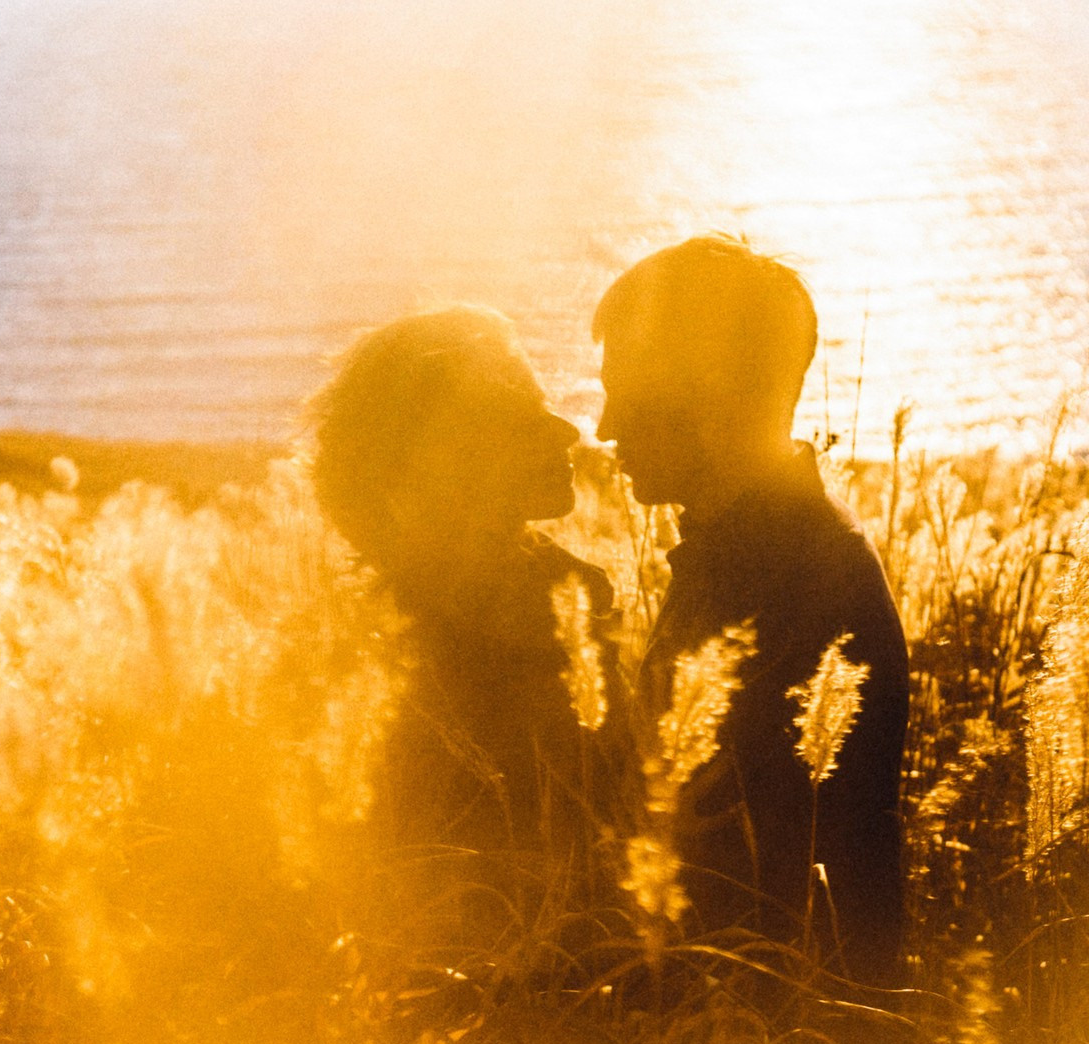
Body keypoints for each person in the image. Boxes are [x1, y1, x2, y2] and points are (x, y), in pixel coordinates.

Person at [592, 236, 909, 987]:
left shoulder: (792, 583)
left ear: (709, 398)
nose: (604, 428)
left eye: (626, 395)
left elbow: (760, 897)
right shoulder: (741, 549)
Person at [309, 306, 629, 943]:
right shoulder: (532, 631)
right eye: (518, 418)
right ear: (426, 466)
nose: (567, 430)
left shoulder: (366, 633)